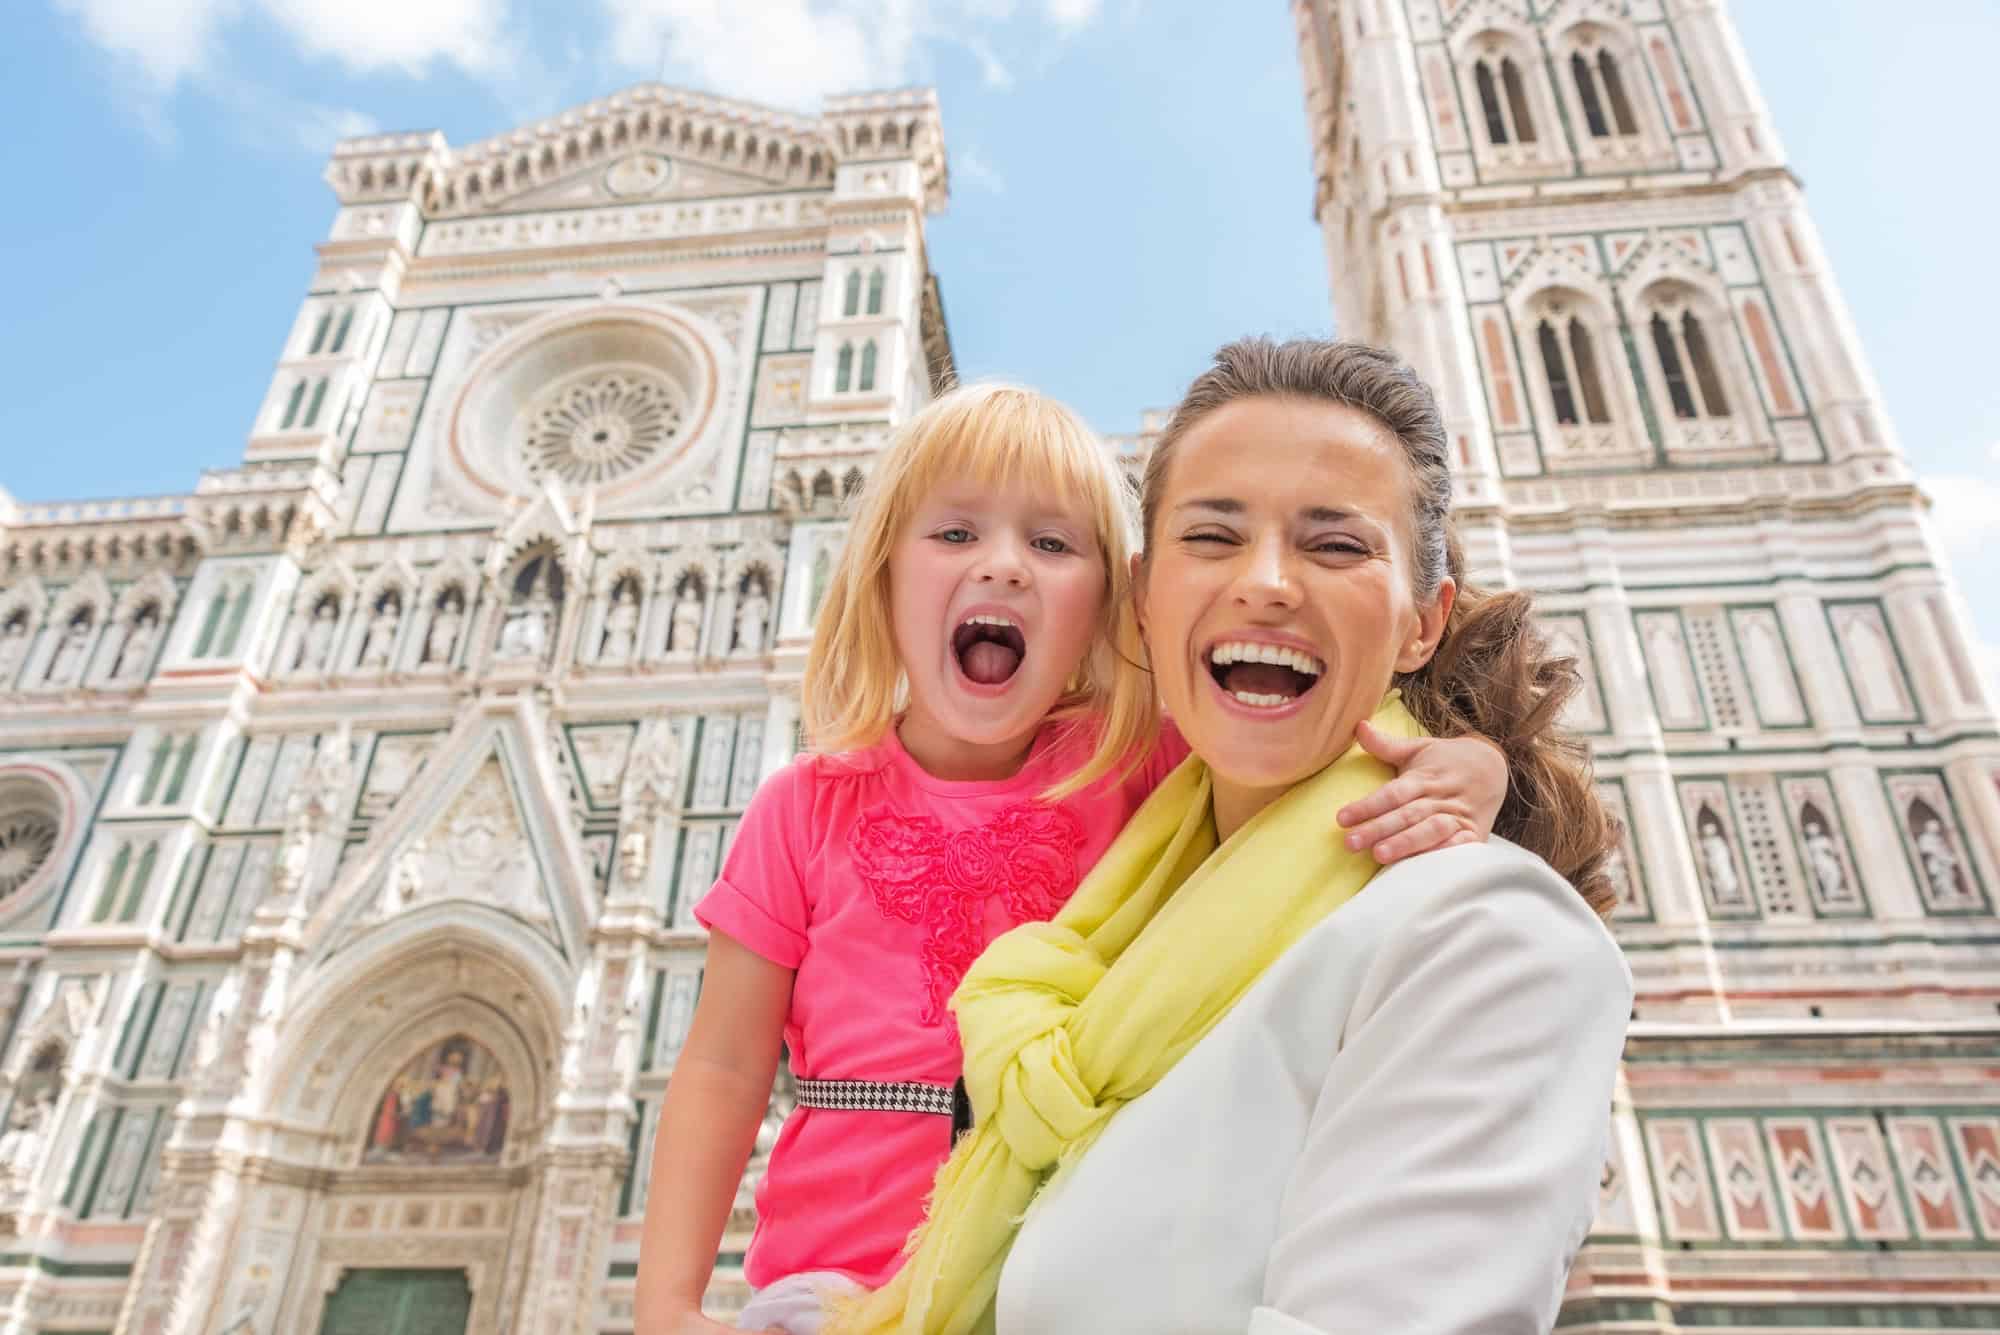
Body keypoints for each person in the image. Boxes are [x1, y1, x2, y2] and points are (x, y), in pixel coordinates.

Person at [634, 382, 1513, 1335]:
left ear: (1116, 601)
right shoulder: (805, 805)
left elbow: (1316, 773)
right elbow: (723, 1067)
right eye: (956, 533)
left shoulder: (1148, 769)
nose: (1004, 566)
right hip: (830, 1291)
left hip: (1068, 1281)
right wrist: (667, 1304)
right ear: (883, 571)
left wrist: (1475, 762)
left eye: (1052, 545)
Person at [836, 340, 1632, 1335]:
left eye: (1334, 546)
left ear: (1419, 625)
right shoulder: (1116, 941)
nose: (1265, 582)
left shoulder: (1481, 940)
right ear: (1139, 602)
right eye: (1211, 537)